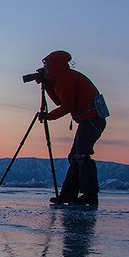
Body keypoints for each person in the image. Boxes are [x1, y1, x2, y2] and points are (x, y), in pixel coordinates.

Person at [37, 50, 107, 207]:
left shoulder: (65, 78)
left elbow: (67, 106)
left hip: (91, 119)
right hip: (90, 119)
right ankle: (69, 195)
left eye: (47, 66)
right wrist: (48, 85)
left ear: (54, 65)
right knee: (75, 156)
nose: (46, 69)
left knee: (81, 156)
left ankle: (89, 196)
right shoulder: (65, 76)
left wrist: (49, 117)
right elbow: (61, 102)